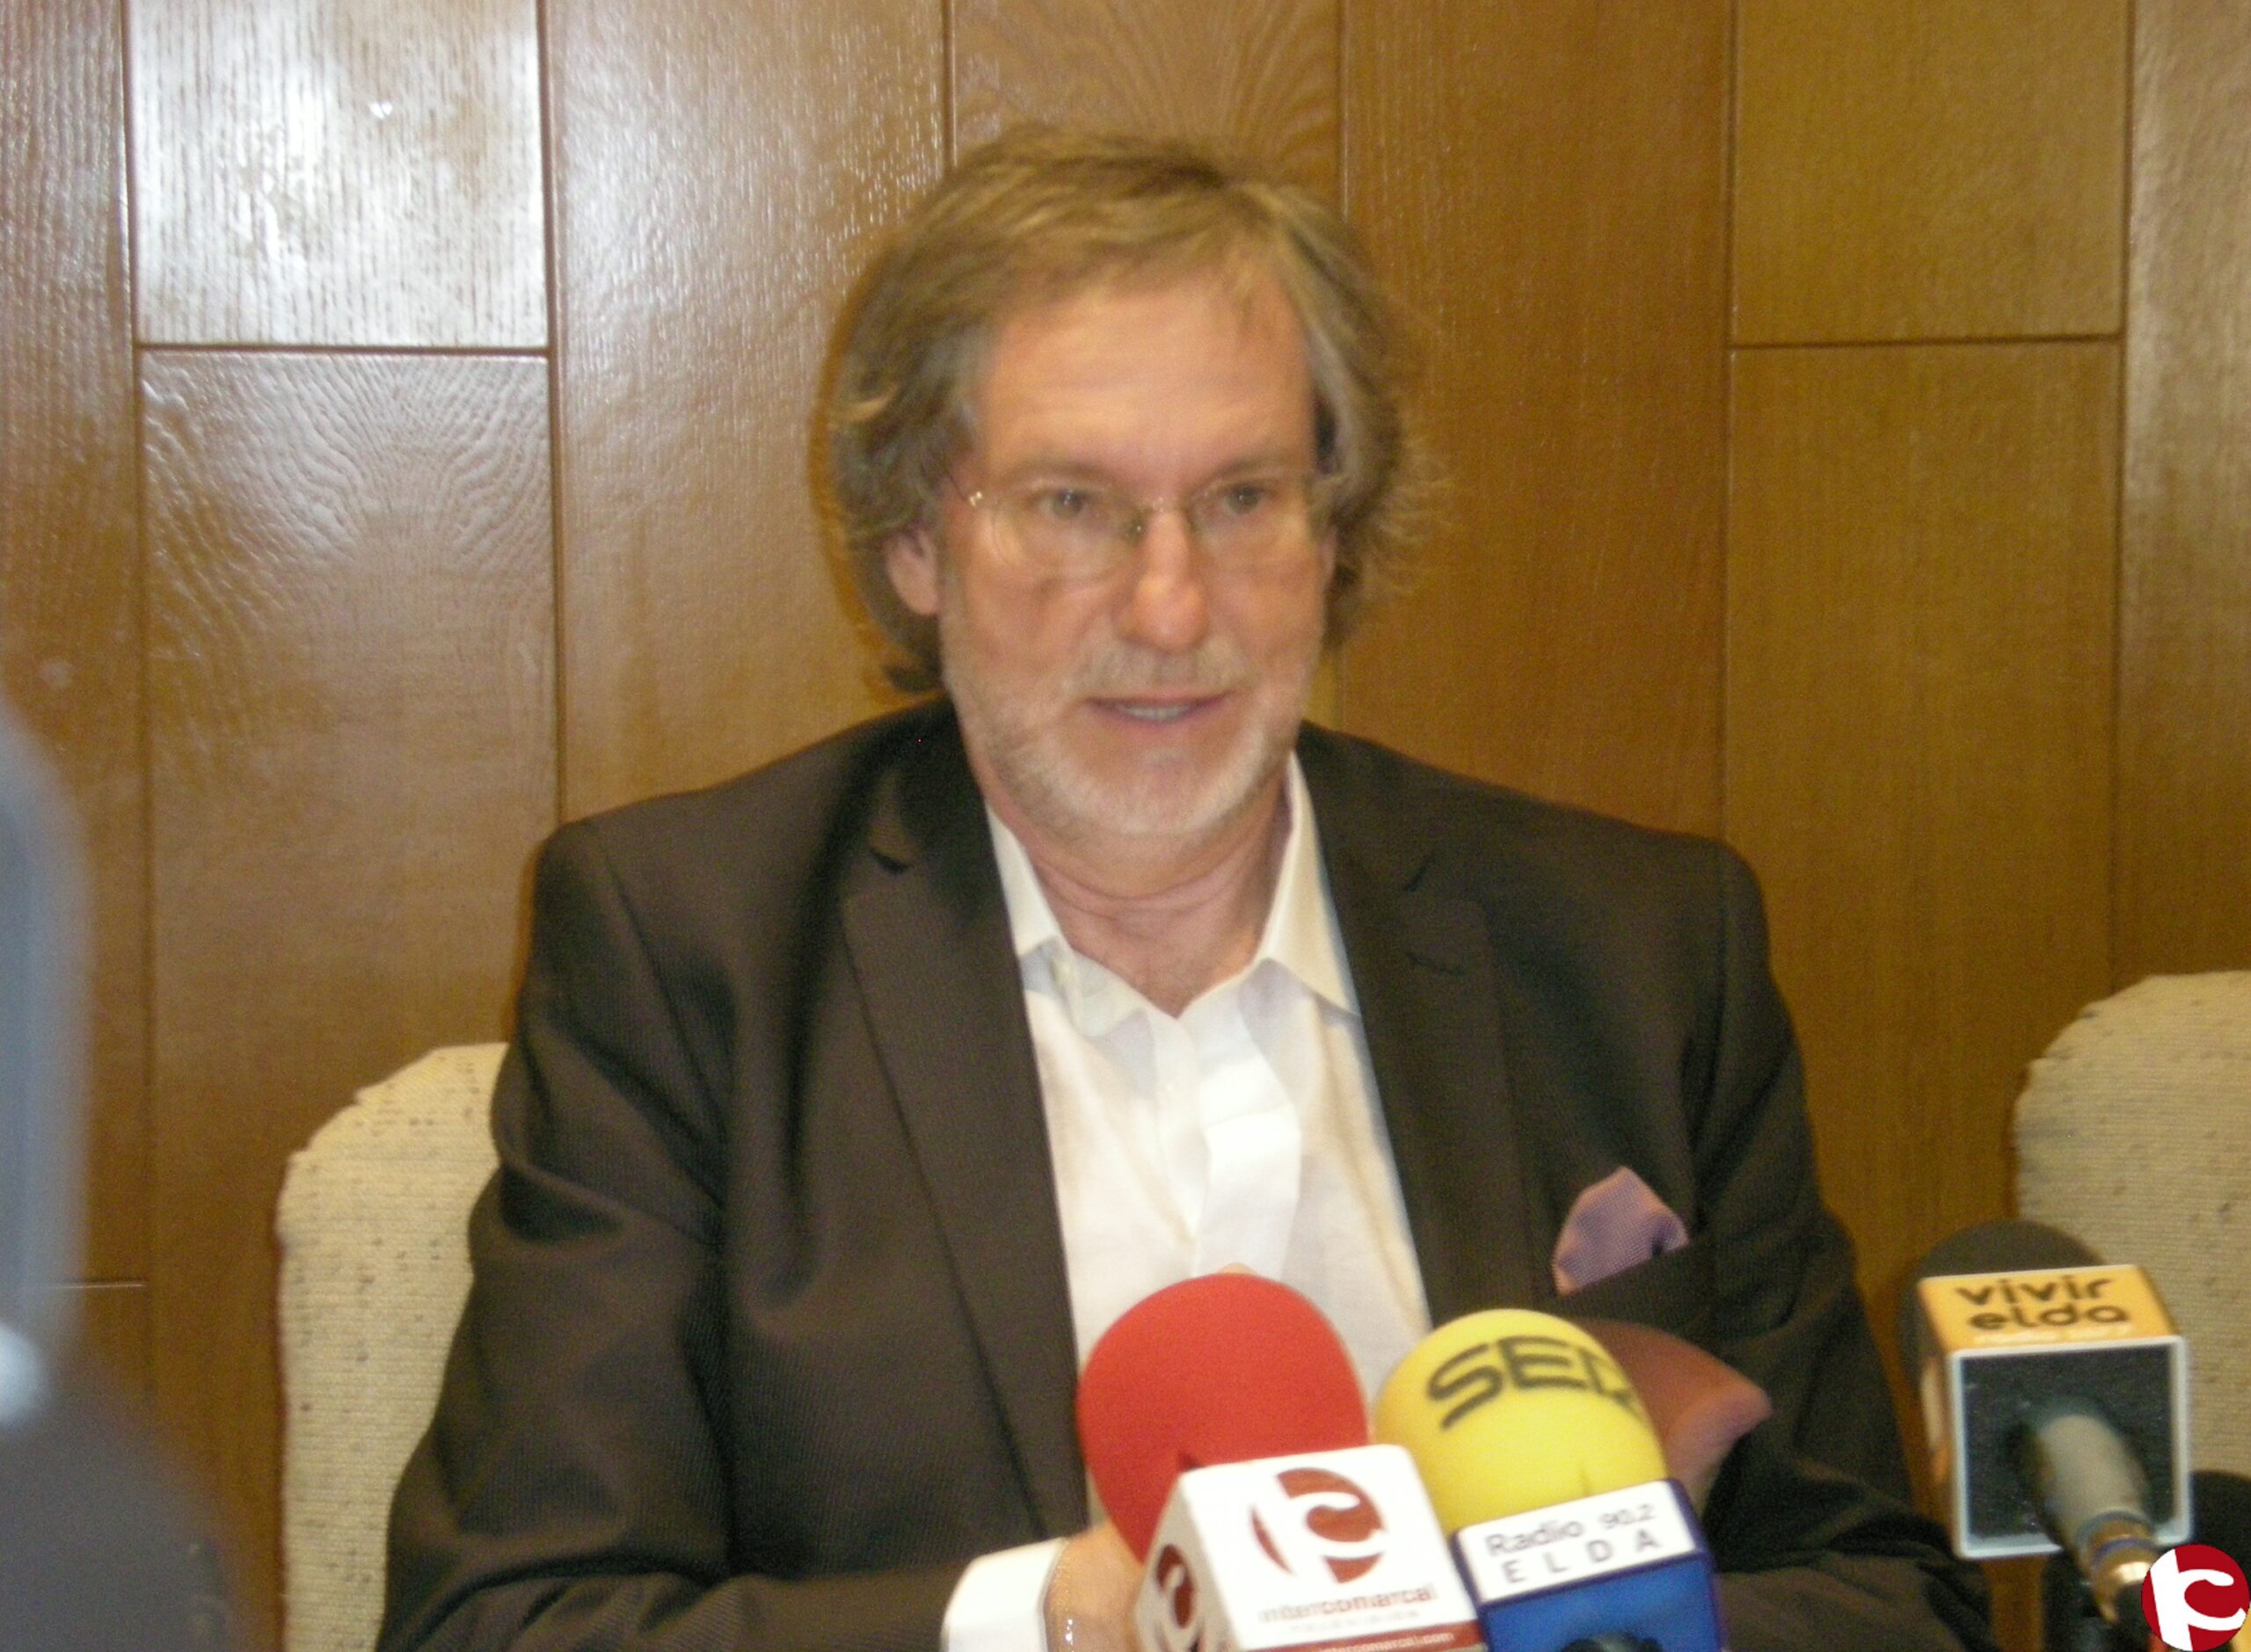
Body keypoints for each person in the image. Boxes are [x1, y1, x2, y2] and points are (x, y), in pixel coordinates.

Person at [381, 127, 1994, 1652]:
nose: (1169, 609)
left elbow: (1882, 1601)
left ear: (1332, 530)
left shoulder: (1636, 949)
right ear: (919, 542)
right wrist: (1066, 1616)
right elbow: (511, 1620)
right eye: (1074, 506)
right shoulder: (690, 955)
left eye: (1241, 499)